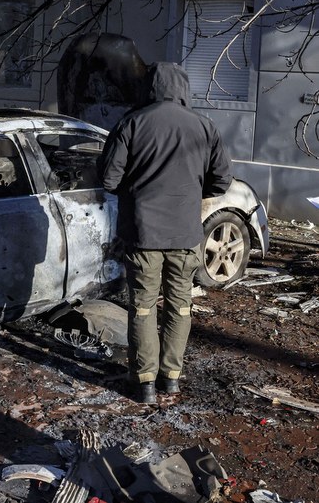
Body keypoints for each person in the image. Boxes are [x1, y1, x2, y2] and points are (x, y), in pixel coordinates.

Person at [99, 62, 232, 404]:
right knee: (180, 306)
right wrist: (188, 193)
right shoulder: (205, 126)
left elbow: (109, 179)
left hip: (143, 234)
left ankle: (144, 382)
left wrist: (139, 191)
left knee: (142, 308)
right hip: (185, 234)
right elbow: (221, 180)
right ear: (183, 88)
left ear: (149, 88)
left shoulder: (131, 122)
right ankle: (170, 378)